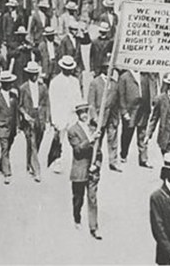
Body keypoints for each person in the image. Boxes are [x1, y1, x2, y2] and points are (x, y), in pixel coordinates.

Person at [69, 101, 102, 240]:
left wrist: (97, 164)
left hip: (92, 169)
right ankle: (77, 217)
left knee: (92, 199)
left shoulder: (93, 128)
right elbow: (77, 150)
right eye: (81, 113)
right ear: (77, 114)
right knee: (78, 198)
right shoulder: (72, 131)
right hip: (79, 170)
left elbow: (99, 151)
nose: (84, 115)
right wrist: (90, 139)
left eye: (85, 112)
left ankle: (94, 227)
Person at [49, 55, 82, 173]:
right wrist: (54, 120)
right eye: (66, 68)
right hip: (61, 115)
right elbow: (52, 101)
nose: (68, 70)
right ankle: (57, 162)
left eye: (70, 68)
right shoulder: (55, 82)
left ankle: (77, 163)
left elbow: (78, 98)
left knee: (76, 139)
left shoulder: (75, 81)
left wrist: (80, 113)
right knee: (59, 140)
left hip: (72, 114)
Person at [86, 58, 121, 172]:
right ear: (103, 69)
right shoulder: (95, 83)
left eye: (112, 69)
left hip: (111, 116)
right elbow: (91, 102)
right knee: (96, 141)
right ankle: (94, 161)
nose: (110, 71)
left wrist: (117, 118)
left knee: (113, 140)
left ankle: (113, 162)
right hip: (98, 118)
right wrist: (94, 117)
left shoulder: (114, 84)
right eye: (108, 68)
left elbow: (117, 102)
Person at [19, 61, 50, 182]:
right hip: (29, 117)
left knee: (37, 142)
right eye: (31, 73)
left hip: (40, 117)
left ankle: (29, 163)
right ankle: (37, 171)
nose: (34, 76)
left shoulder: (43, 87)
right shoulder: (23, 88)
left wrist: (47, 119)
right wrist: (25, 115)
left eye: (35, 73)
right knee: (32, 143)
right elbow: (20, 105)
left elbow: (47, 104)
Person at [119, 69, 154, 168]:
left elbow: (149, 91)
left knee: (142, 134)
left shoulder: (144, 75)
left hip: (143, 110)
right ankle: (123, 154)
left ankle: (143, 159)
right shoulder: (124, 77)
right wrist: (124, 111)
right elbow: (121, 96)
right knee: (127, 133)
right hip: (130, 110)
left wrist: (150, 106)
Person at [146, 73, 170, 158]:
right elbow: (154, 119)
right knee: (168, 159)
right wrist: (148, 135)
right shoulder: (160, 99)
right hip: (165, 136)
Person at [0, 70, 20, 185]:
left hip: (11, 127)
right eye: (7, 82)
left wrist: (17, 125)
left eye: (11, 82)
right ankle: (7, 173)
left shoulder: (14, 96)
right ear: (2, 83)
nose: (10, 84)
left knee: (8, 148)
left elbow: (16, 112)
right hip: (1, 126)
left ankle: (1, 165)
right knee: (5, 147)